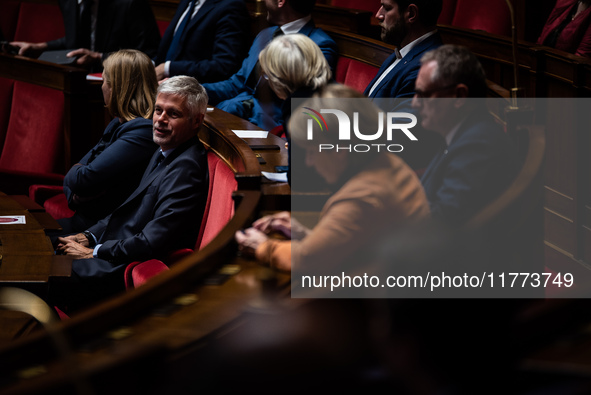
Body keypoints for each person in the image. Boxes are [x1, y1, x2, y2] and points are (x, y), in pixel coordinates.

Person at [52, 76, 209, 311]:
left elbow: (152, 242)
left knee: (45, 270)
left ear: (196, 121)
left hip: (126, 266)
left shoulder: (187, 168)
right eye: (158, 110)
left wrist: (93, 252)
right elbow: (125, 209)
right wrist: (88, 236)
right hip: (115, 246)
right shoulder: (164, 150)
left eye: (173, 114)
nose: (160, 120)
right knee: (42, 245)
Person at [235, 84, 430, 272]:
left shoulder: (361, 198)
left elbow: (307, 260)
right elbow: (355, 243)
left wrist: (263, 247)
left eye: (311, 151)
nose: (309, 162)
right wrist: (304, 234)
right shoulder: (388, 162)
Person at [412, 45, 518, 225]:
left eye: (423, 94)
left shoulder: (478, 146)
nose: (415, 104)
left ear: (459, 96)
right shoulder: (462, 133)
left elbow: (442, 223)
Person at [58, 49, 159, 235]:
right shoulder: (117, 123)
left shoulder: (142, 132)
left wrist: (76, 178)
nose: (102, 87)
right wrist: (74, 194)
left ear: (118, 88)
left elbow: (81, 178)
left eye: (104, 81)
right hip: (85, 222)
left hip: (100, 232)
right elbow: (72, 179)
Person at [202, 0, 337, 131]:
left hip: (270, 129)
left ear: (280, 1)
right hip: (231, 113)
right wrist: (195, 91)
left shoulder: (318, 44)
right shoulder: (265, 34)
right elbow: (236, 84)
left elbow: (305, 102)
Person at [364, 0, 444, 171]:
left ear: (411, 14)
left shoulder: (426, 66)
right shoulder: (401, 53)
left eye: (386, 8)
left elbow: (398, 134)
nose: (378, 15)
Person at [258, 33, 332, 188]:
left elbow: (300, 177)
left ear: (281, 77)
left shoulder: (298, 106)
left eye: (268, 76)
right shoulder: (337, 92)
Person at [10, 0, 161, 69]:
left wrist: (99, 57)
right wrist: (39, 47)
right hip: (76, 80)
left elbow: (149, 57)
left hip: (120, 85)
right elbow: (75, 43)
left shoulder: (131, 4)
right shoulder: (68, 2)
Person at [152, 0, 250, 83]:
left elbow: (224, 65)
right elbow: (172, 49)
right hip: (164, 86)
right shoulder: (187, 2)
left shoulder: (231, 6)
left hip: (197, 94)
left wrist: (168, 69)